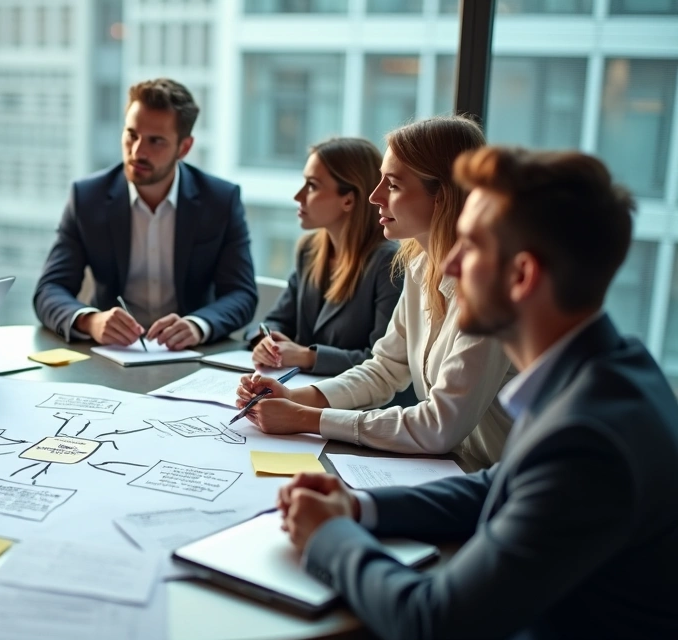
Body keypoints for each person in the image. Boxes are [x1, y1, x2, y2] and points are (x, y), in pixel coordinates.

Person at [277, 147, 678, 639]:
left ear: (522, 275)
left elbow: (434, 622)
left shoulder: (588, 439)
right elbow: (501, 484)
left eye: (469, 246)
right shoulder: (606, 367)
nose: (448, 266)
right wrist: (358, 507)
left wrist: (327, 536)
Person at [236, 116, 513, 468]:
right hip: (453, 468)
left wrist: (305, 419)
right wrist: (296, 398)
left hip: (505, 482)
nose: (374, 196)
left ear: (441, 195)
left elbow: (439, 426)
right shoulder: (420, 267)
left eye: (393, 185)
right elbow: (383, 368)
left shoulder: (490, 290)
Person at [34, 78, 257, 350]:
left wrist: (198, 325)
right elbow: (49, 289)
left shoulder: (220, 201)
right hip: (112, 355)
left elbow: (241, 293)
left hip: (190, 355)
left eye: (156, 141)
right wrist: (91, 321)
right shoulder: (87, 198)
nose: (138, 151)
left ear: (184, 148)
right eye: (132, 135)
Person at [246, 137, 403, 376]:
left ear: (348, 199)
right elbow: (275, 321)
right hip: (302, 391)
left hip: (354, 406)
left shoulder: (389, 264)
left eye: (312, 185)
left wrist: (308, 356)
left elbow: (382, 362)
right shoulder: (309, 250)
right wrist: (266, 342)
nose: (298, 196)